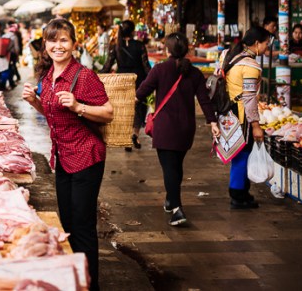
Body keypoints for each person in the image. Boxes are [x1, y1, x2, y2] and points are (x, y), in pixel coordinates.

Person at [21, 18, 113, 291]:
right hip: (62, 158)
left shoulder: (83, 76)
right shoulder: (48, 77)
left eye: (63, 40)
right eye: (52, 40)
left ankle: (90, 285)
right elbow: (52, 115)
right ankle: (76, 280)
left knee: (83, 227)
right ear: (45, 45)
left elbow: (108, 113)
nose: (57, 46)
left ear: (73, 44)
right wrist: (34, 101)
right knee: (68, 222)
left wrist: (78, 106)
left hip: (86, 156)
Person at [135, 33, 219, 226]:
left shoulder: (159, 70)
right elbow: (204, 100)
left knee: (169, 168)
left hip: (165, 128)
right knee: (176, 166)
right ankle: (170, 200)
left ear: (167, 50)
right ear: (188, 49)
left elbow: (141, 93)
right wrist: (212, 122)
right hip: (186, 128)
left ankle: (177, 209)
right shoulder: (195, 73)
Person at [222, 26, 271, 209]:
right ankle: (237, 195)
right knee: (242, 154)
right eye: (266, 43)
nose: (267, 47)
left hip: (229, 112)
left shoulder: (229, 55)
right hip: (242, 116)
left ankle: (241, 192)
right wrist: (256, 125)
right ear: (257, 43)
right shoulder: (250, 66)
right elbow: (249, 98)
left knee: (238, 153)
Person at [103, 20, 152, 150]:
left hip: (122, 80)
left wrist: (97, 75)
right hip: (138, 79)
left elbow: (107, 66)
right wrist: (153, 80)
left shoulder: (116, 46)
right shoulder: (140, 45)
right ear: (133, 31)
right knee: (138, 108)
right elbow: (146, 65)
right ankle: (135, 134)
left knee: (125, 110)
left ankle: (126, 138)